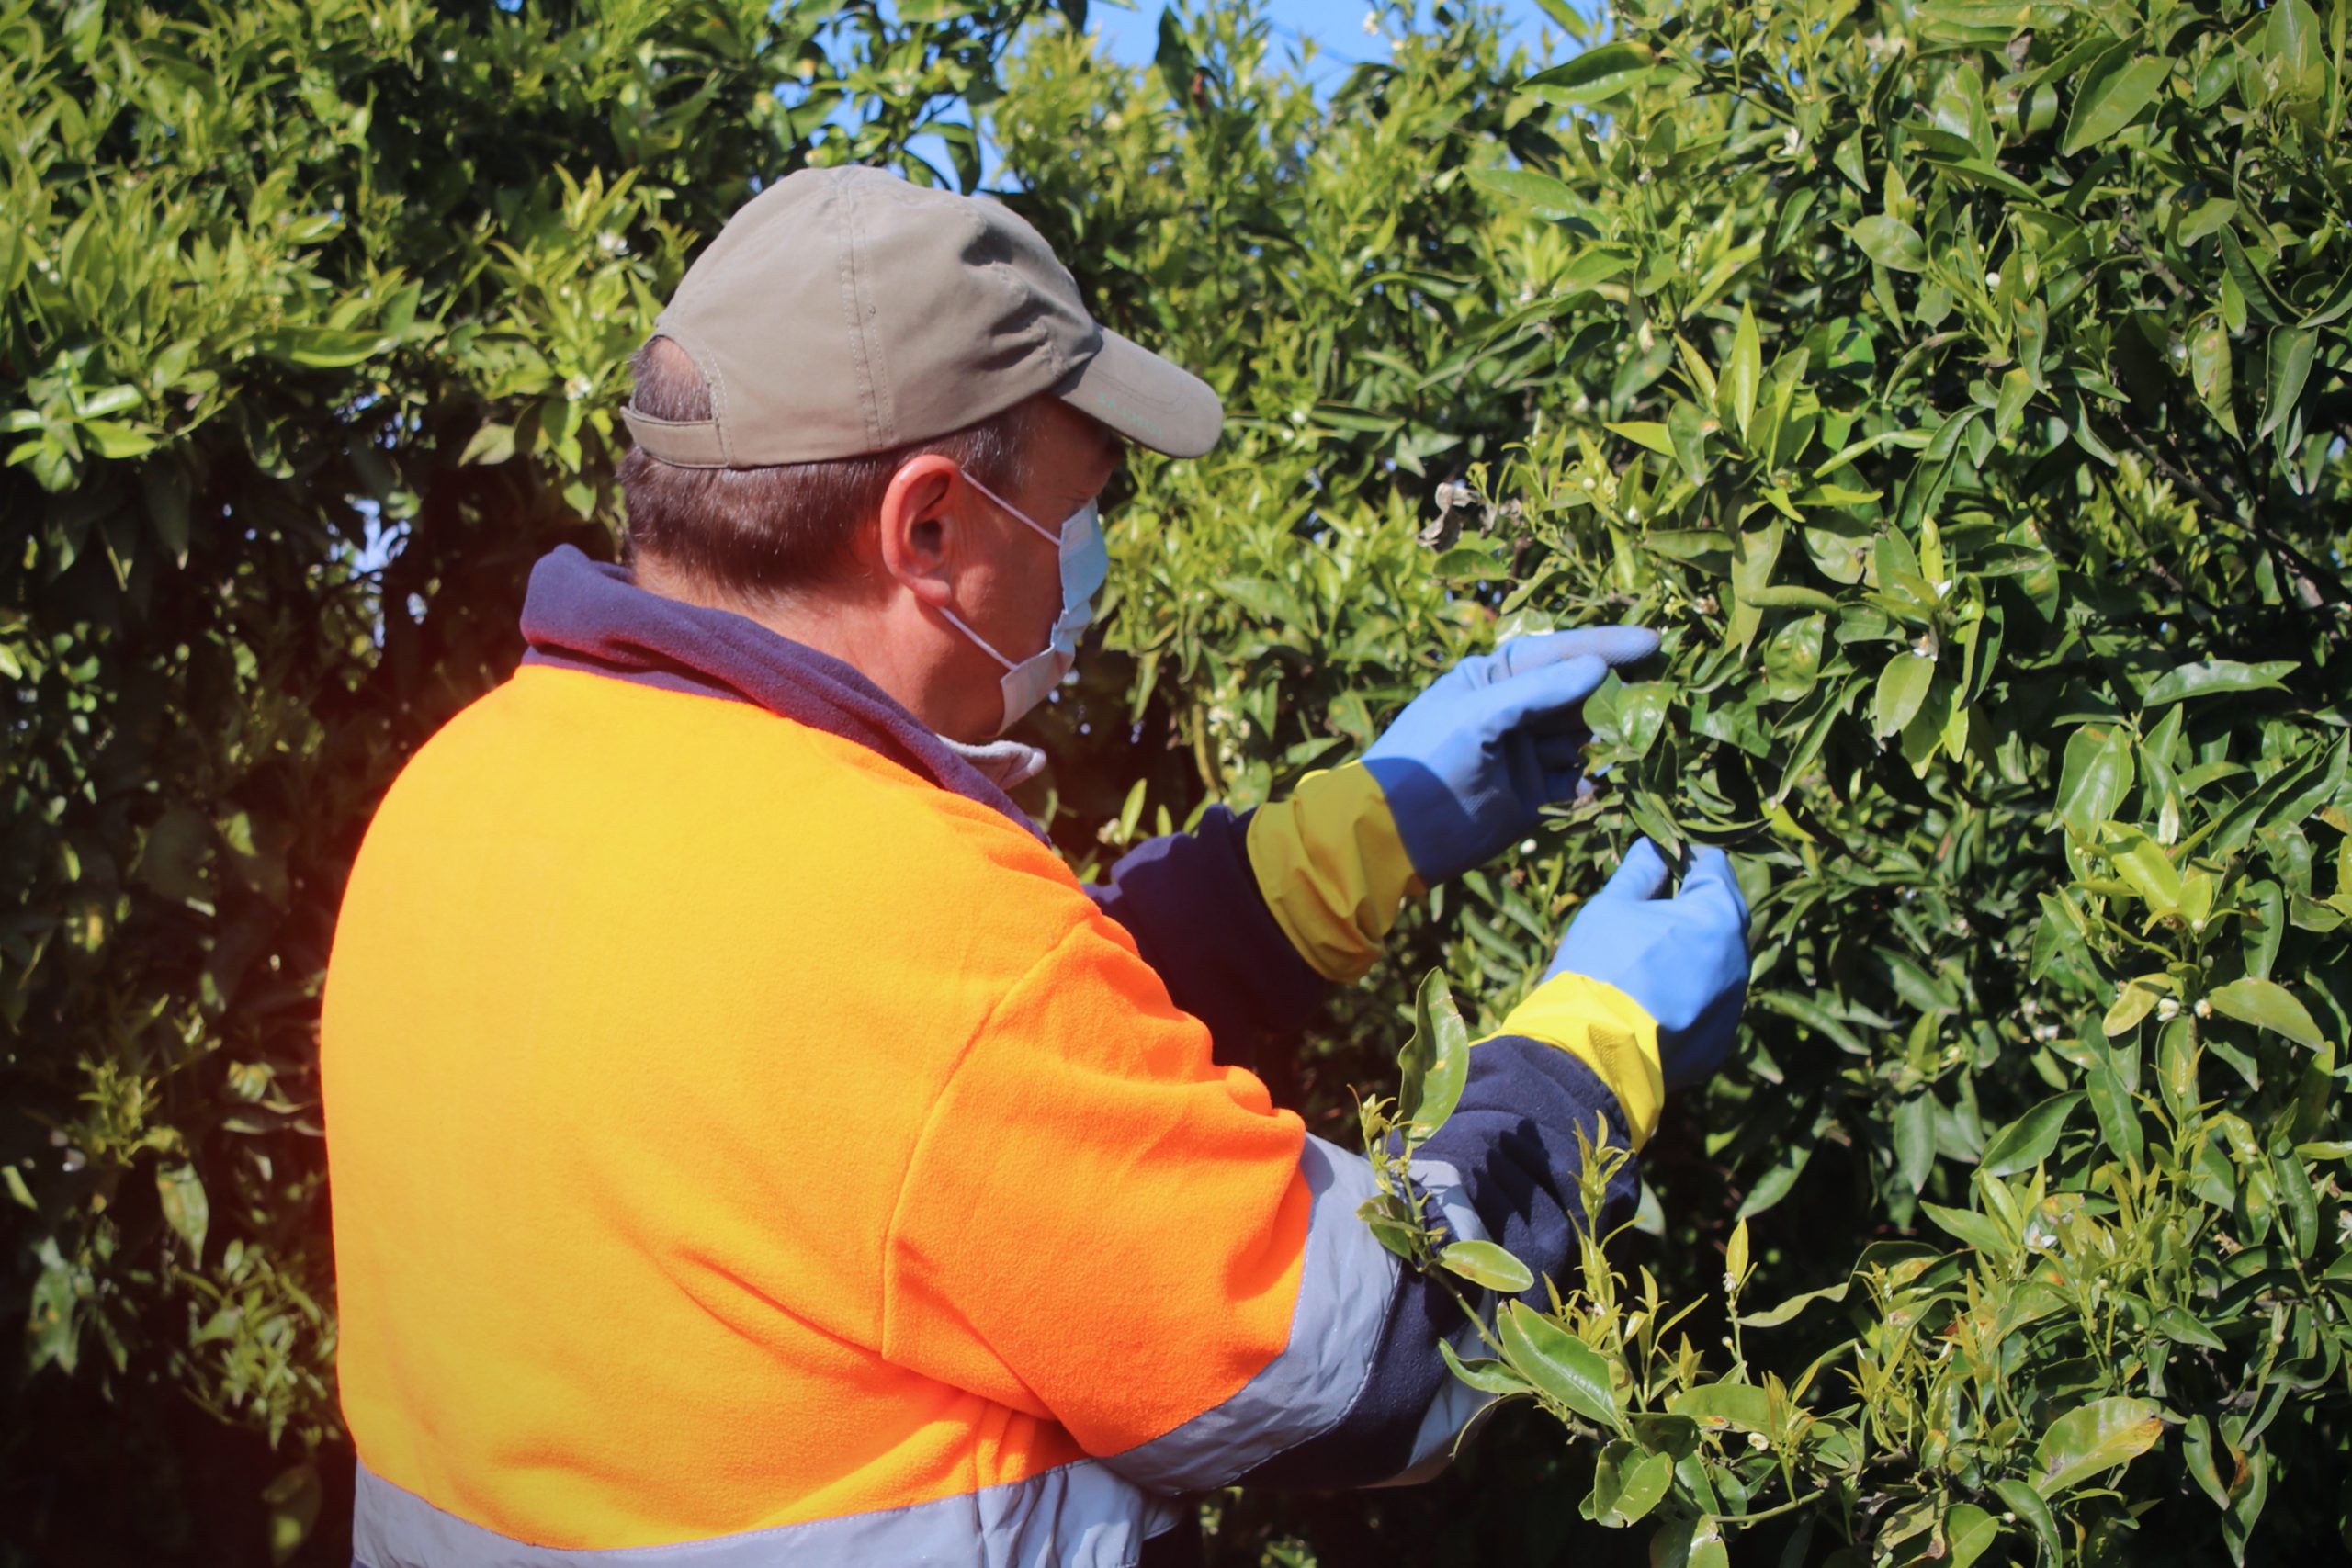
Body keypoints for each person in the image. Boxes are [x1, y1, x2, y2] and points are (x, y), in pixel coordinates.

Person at [322, 164, 1749, 1568]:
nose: (1092, 552)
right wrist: (1590, 1056)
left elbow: (902, 1127)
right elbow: (1367, 1366)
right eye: (1086, 502)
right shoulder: (896, 919)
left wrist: (1358, 837)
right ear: (928, 528)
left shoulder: (465, 791)